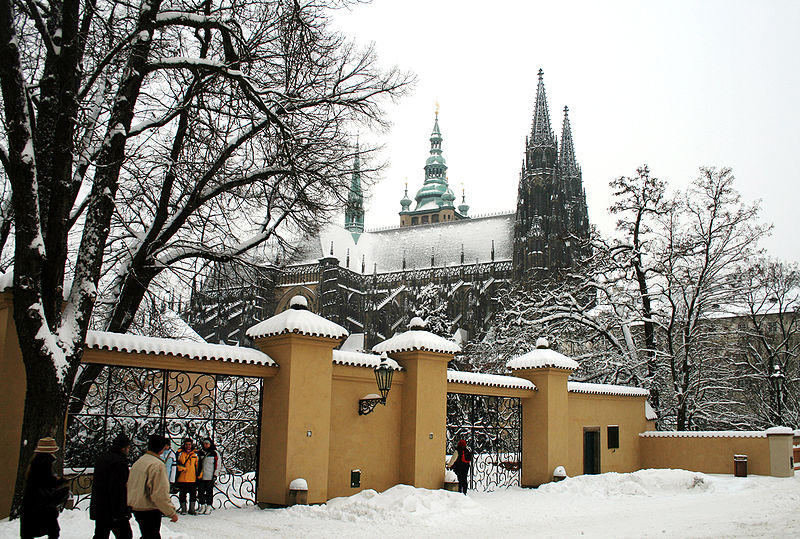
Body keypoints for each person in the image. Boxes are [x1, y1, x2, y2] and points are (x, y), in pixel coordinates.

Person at [127, 434, 178, 539]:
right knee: (152, 535)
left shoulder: (139, 462)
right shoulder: (157, 465)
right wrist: (170, 512)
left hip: (136, 506)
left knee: (147, 534)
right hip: (149, 508)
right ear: (161, 449)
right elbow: (159, 493)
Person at [20, 437, 70, 539]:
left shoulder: (36, 462)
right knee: (53, 531)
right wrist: (59, 483)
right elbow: (44, 482)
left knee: (30, 532)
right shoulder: (44, 462)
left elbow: (42, 481)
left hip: (32, 505)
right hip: (41, 506)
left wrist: (57, 481)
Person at [90, 433, 133, 539]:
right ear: (123, 448)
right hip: (114, 510)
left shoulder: (103, 458)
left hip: (100, 507)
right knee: (125, 535)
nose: (129, 450)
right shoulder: (119, 463)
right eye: (128, 448)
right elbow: (118, 489)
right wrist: (121, 512)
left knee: (100, 534)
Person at [175, 437, 200, 515]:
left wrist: (198, 475)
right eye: (186, 445)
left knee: (193, 495)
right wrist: (181, 468)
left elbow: (198, 466)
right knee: (182, 494)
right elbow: (176, 464)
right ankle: (184, 509)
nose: (188, 446)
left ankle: (192, 509)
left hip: (192, 478)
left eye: (189, 444)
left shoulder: (195, 454)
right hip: (182, 478)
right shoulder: (180, 453)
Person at [197, 438, 219, 515]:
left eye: (207, 444)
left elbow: (217, 465)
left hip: (210, 476)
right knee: (201, 491)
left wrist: (215, 474)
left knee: (209, 492)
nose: (205, 445)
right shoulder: (200, 453)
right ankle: (202, 505)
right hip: (201, 476)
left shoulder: (214, 453)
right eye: (204, 444)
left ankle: (209, 506)